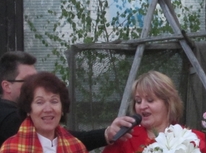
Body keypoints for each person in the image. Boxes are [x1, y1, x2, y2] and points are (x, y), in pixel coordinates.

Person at [0, 51, 136, 148]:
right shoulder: (10, 118)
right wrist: (105, 134)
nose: (34, 84)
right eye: (40, 102)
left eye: (54, 101)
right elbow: (67, 140)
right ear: (6, 86)